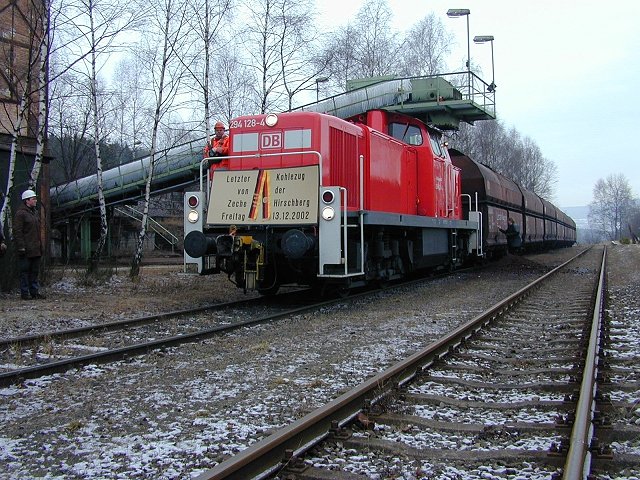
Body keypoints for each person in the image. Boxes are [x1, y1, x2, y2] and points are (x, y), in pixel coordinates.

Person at [14, 189, 45, 300]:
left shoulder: (34, 213)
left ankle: (34, 292)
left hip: (35, 248)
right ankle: (25, 293)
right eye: (33, 199)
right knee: (25, 272)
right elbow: (18, 231)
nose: (35, 200)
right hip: (26, 249)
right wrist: (21, 247)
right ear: (27, 201)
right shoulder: (21, 214)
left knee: (34, 272)